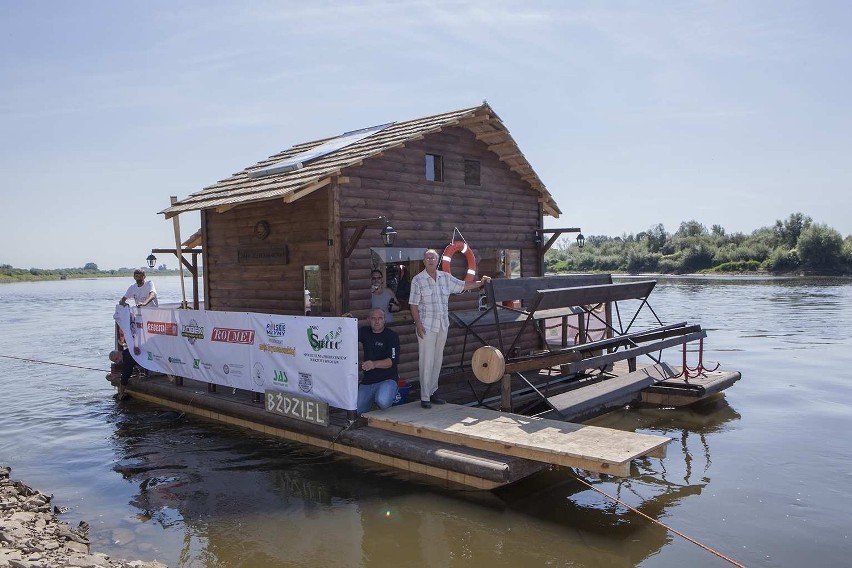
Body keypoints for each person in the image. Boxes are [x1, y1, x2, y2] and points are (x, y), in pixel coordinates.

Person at [409, 249, 490, 408]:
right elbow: (413, 304)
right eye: (428, 257)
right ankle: (425, 397)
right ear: (424, 261)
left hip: (442, 324)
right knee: (426, 360)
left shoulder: (445, 278)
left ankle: (433, 392)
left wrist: (480, 282)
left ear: (438, 260)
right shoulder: (417, 280)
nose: (431, 260)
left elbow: (464, 285)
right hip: (426, 325)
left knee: (437, 360)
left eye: (433, 257)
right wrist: (418, 324)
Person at [357, 308, 400, 414]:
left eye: (380, 318)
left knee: (383, 402)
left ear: (384, 320)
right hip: (368, 381)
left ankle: (391, 392)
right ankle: (373, 400)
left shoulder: (391, 336)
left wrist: (374, 364)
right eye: (373, 318)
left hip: (387, 379)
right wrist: (346, 321)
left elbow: (392, 361)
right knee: (356, 409)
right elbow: (348, 334)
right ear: (368, 320)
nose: (377, 321)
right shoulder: (364, 332)